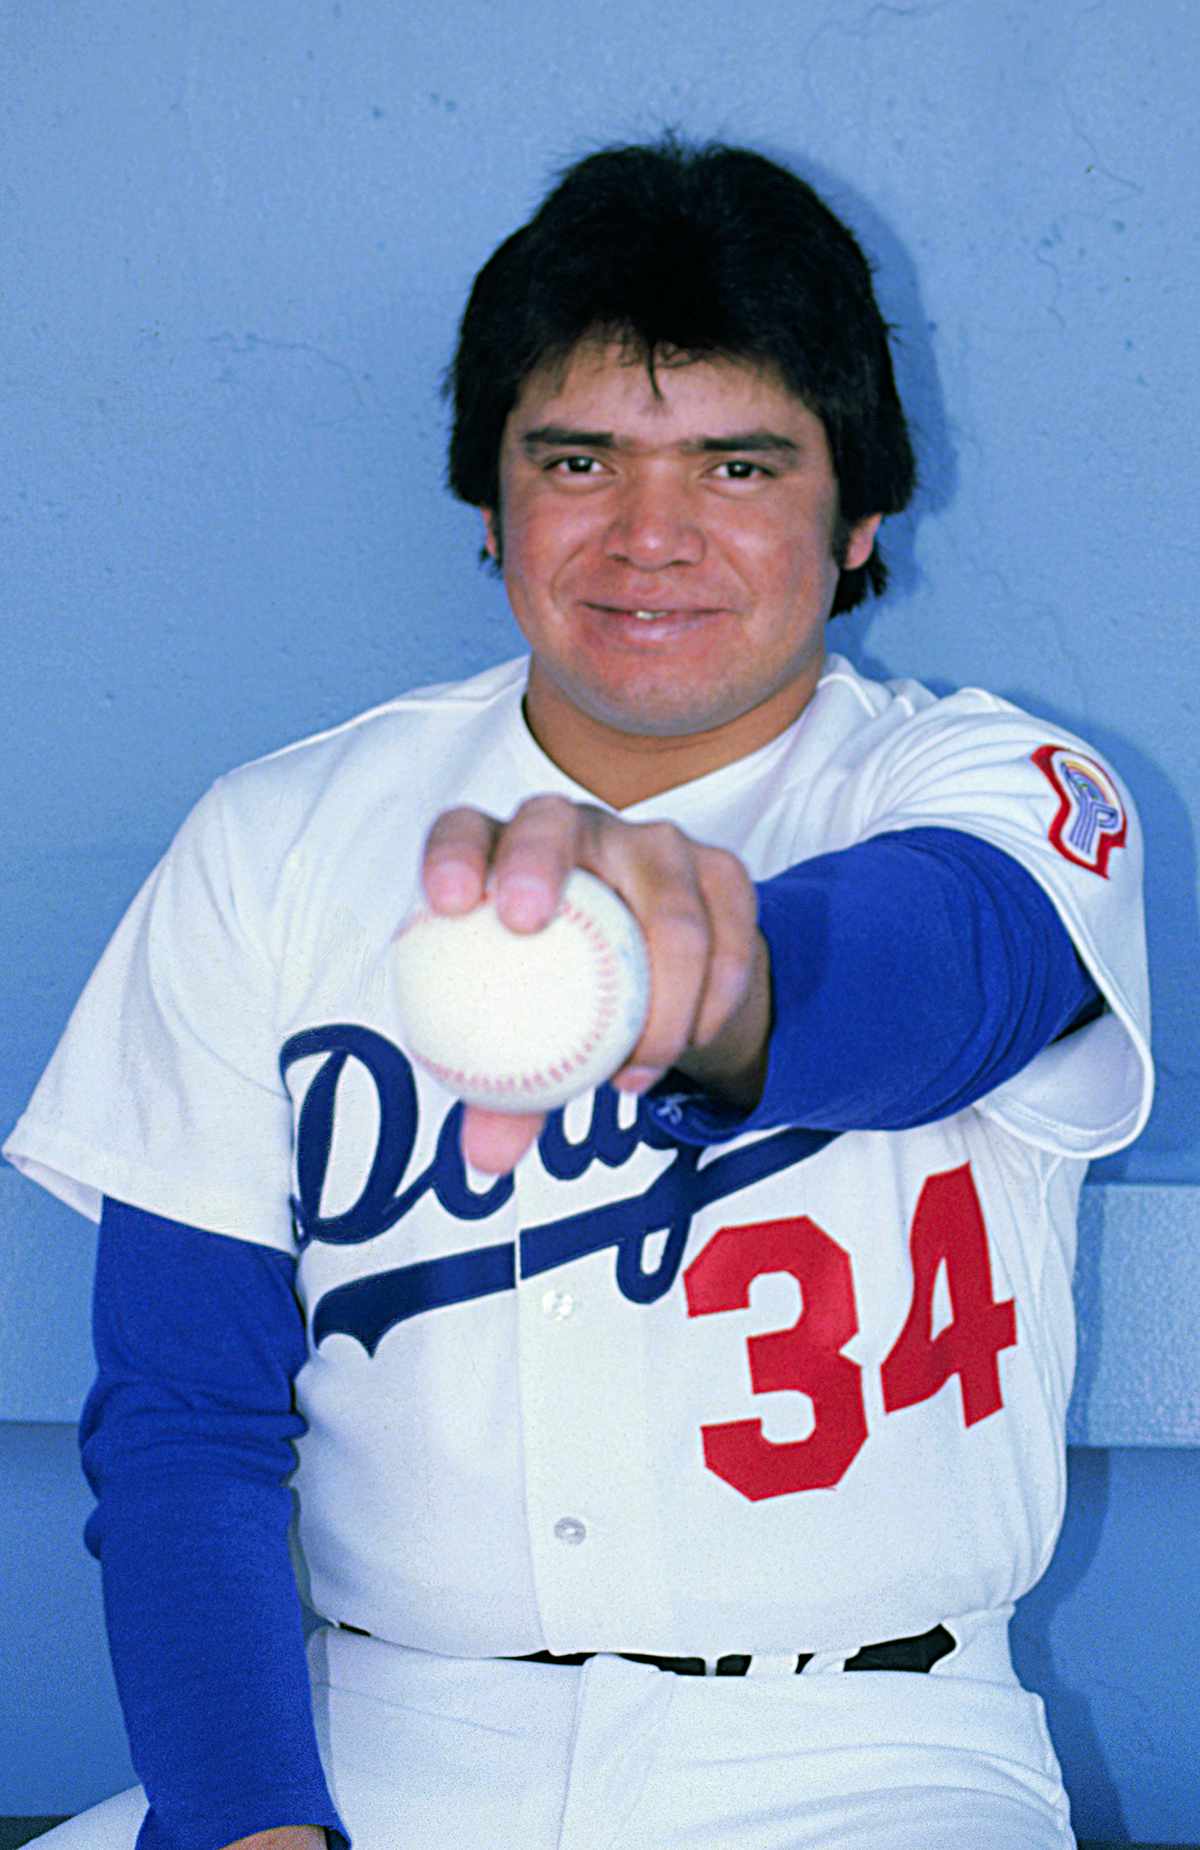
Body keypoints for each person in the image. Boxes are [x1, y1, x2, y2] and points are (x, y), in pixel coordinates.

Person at [4, 135, 1152, 1850]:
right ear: (491, 502)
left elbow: (954, 971)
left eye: (742, 464)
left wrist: (720, 979)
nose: (651, 534)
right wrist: (247, 1819)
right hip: (374, 1731)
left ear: (862, 516)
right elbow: (186, 1415)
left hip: (865, 1752)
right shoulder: (276, 836)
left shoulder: (1002, 793)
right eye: (579, 457)